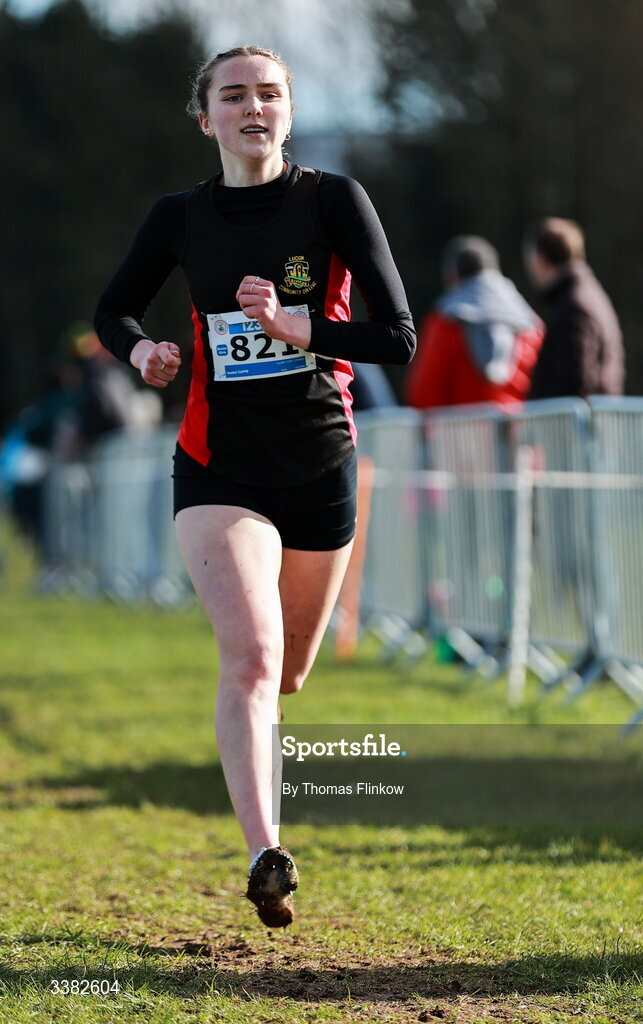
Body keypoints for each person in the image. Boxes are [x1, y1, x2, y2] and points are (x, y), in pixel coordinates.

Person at [94, 45, 415, 928]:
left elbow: (396, 336)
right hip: (218, 466)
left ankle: (262, 808)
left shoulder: (332, 200)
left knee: (292, 675)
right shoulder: (179, 217)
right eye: (233, 96)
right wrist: (143, 351)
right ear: (206, 119)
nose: (253, 108)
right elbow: (111, 310)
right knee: (252, 659)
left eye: (268, 93)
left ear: (289, 109)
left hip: (319, 462)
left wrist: (292, 321)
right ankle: (264, 852)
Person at [405, 236, 543, 410]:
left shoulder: (445, 322)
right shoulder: (532, 325)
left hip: (459, 434)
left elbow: (423, 393)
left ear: (453, 277)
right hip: (522, 433)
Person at [523, 218, 625, 398]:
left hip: (574, 425)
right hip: (595, 420)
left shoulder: (573, 305)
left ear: (540, 258)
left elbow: (576, 381)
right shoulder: (589, 293)